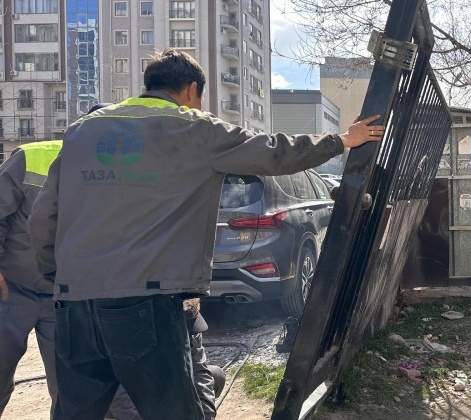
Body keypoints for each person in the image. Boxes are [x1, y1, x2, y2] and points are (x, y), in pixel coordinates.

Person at [28, 48, 384, 419]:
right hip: (146, 304)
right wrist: (342, 140)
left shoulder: (82, 131)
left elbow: (43, 218)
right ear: (191, 90)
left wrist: (59, 278)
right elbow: (275, 152)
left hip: (73, 304)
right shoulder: (194, 128)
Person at [0, 140, 62, 418]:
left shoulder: (109, 168)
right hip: (10, 289)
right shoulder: (31, 157)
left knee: (70, 386)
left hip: (63, 295)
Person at [108, 299, 225, 420]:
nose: (186, 334)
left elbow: (199, 370)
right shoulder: (132, 329)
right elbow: (119, 394)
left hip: (160, 382)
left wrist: (206, 415)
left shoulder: (190, 321)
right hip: (125, 389)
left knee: (216, 376)